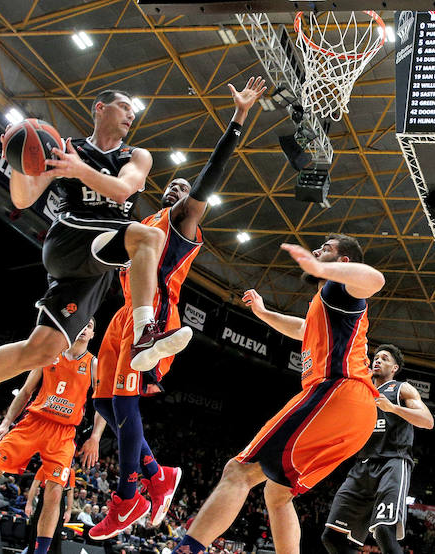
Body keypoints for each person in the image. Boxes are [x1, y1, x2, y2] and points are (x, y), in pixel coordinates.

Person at [0, 87, 191, 445]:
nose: (130, 115)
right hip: (70, 238)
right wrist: (18, 162)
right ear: (100, 109)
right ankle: (145, 334)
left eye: (132, 110)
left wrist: (79, 171)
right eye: (123, 106)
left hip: (99, 260)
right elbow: (23, 198)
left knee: (41, 350)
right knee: (148, 238)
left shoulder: (136, 155)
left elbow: (122, 190)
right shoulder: (64, 148)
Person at [88, 76, 267, 541]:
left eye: (184, 188)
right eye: (172, 185)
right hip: (121, 316)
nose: (176, 190)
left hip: (156, 316)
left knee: (125, 400)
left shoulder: (182, 220)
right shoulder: (143, 222)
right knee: (104, 401)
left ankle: (128, 496)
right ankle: (157, 473)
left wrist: (238, 120)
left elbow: (211, 173)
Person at [173, 235, 386, 553]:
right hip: (357, 413)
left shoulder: (340, 288)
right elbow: (302, 330)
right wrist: (263, 314)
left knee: (239, 471)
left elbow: (375, 279)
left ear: (344, 262)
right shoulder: (326, 304)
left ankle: (186, 550)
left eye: (326, 249)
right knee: (277, 493)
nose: (317, 251)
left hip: (338, 391)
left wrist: (318, 267)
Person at [0, 321, 97, 554]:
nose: (84, 329)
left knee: (55, 492)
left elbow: (104, 402)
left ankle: (40, 552)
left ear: (92, 334)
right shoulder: (51, 353)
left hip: (63, 433)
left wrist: (95, 437)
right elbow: (26, 391)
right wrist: (5, 423)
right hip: (33, 423)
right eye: (82, 324)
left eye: (89, 326)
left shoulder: (93, 364)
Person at [322, 344, 434, 553]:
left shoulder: (401, 389)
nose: (378, 360)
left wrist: (392, 408)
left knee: (383, 531)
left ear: (395, 368)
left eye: (384, 358)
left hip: (392, 462)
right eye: (376, 357)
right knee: (331, 537)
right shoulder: (360, 392)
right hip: (361, 466)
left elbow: (427, 421)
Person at [22, 463, 76, 554]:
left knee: (57, 532)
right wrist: (29, 504)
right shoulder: (45, 466)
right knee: (36, 529)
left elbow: (70, 493)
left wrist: (69, 511)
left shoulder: (70, 471)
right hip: (44, 498)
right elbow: (34, 485)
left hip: (60, 501)